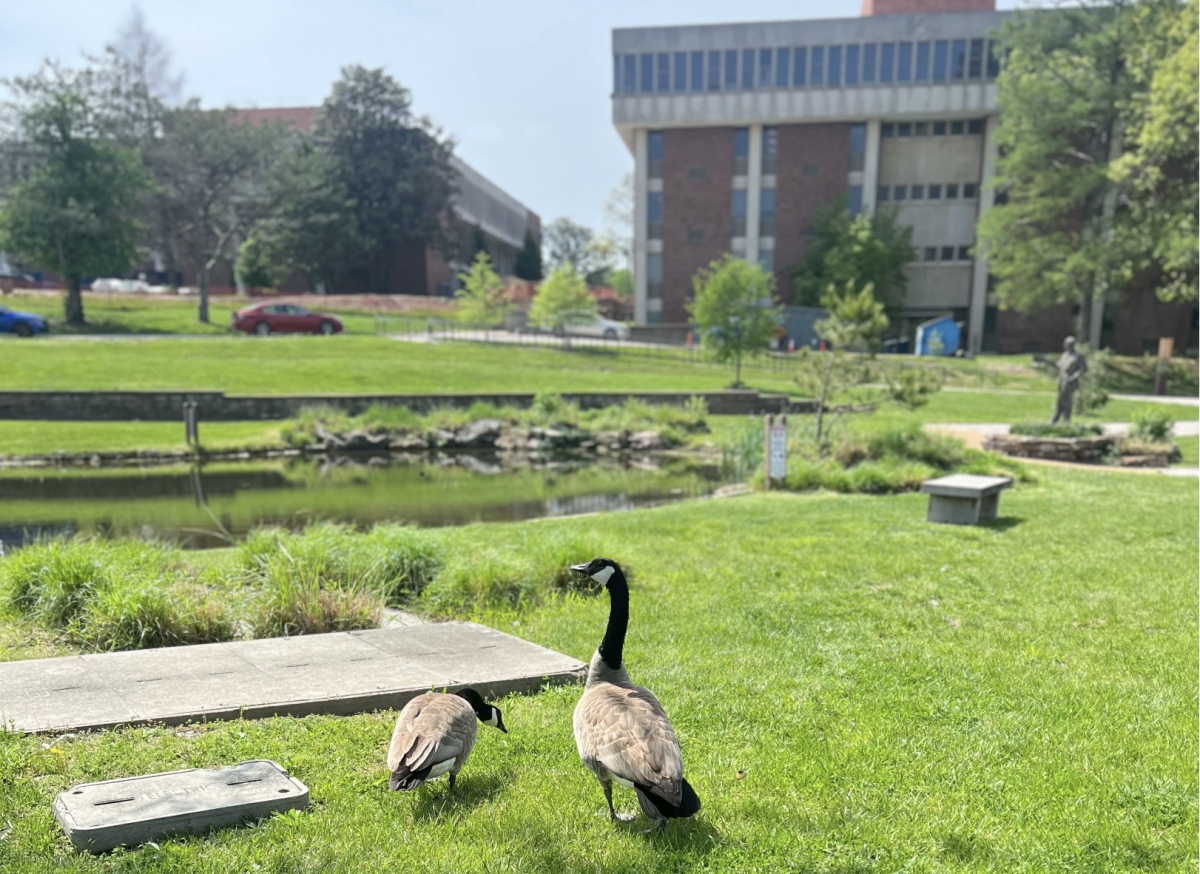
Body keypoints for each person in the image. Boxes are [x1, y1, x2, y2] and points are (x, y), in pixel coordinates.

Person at [1052, 336, 1088, 424]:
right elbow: (1060, 366)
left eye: (1069, 344)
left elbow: (1083, 369)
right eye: (1066, 344)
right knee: (1060, 399)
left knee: (1067, 401)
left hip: (1070, 381)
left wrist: (1074, 377)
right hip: (1062, 380)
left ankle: (1066, 420)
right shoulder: (1064, 355)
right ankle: (1056, 419)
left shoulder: (1078, 357)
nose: (1067, 346)